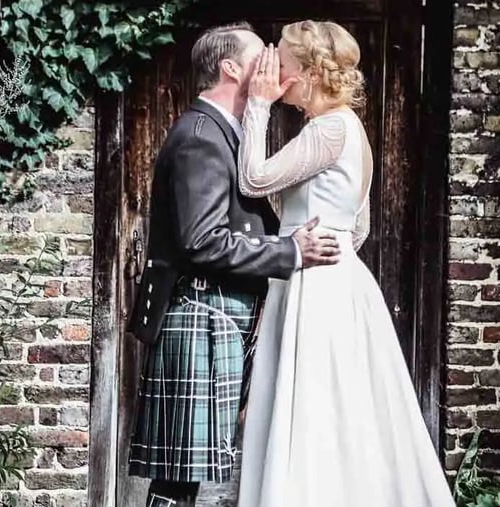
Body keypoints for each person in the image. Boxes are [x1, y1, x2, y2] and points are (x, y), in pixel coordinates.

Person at [236, 20, 456, 507]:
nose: (275, 70)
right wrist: (309, 229)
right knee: (338, 402)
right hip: (338, 276)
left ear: (310, 72)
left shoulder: (329, 128)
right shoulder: (348, 129)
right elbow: (357, 229)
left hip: (314, 282)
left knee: (317, 404)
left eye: (284, 63)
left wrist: (257, 104)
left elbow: (253, 179)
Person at [126, 22, 340, 507]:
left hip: (216, 312)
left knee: (188, 470)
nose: (271, 62)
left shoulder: (227, 134)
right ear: (230, 68)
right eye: (259, 57)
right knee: (179, 473)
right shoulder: (202, 134)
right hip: (200, 311)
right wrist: (290, 253)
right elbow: (201, 241)